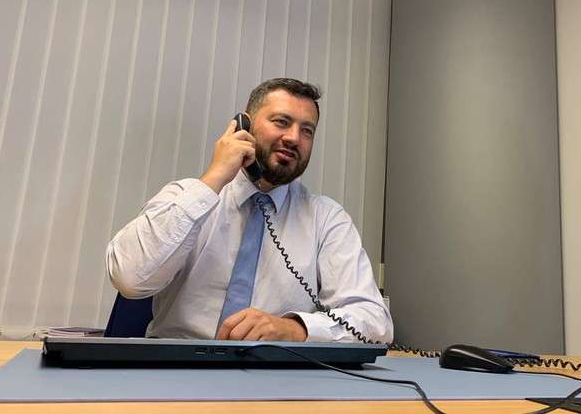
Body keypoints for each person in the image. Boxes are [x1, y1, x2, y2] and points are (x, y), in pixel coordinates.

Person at [106, 78, 393, 343]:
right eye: (281, 122)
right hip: (175, 368)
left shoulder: (326, 218)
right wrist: (216, 175)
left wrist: (295, 329)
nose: (294, 138)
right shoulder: (185, 197)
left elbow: (375, 321)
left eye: (307, 130)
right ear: (244, 126)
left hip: (273, 372)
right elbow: (130, 278)